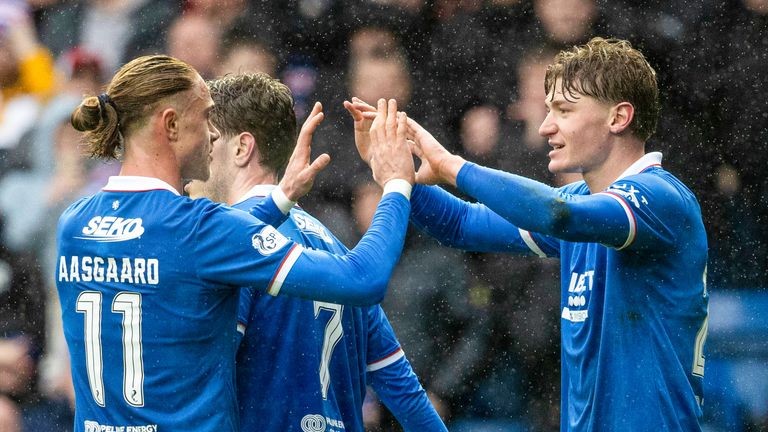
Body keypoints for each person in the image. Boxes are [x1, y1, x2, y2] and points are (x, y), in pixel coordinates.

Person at [354, 37, 709, 431]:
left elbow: (555, 214)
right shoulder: (580, 204)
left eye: (564, 110)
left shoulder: (660, 197)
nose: (545, 127)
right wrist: (397, 176)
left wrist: (452, 166)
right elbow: (461, 224)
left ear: (619, 117)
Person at [56, 55, 415, 432]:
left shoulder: (74, 223)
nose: (214, 135)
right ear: (171, 124)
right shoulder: (201, 228)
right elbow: (363, 278)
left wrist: (279, 200)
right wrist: (396, 184)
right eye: (207, 117)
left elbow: (175, 255)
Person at [186, 72, 446, 431]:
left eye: (208, 138)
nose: (194, 154)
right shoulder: (338, 252)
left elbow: (195, 383)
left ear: (242, 148)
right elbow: (407, 396)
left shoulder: (231, 250)